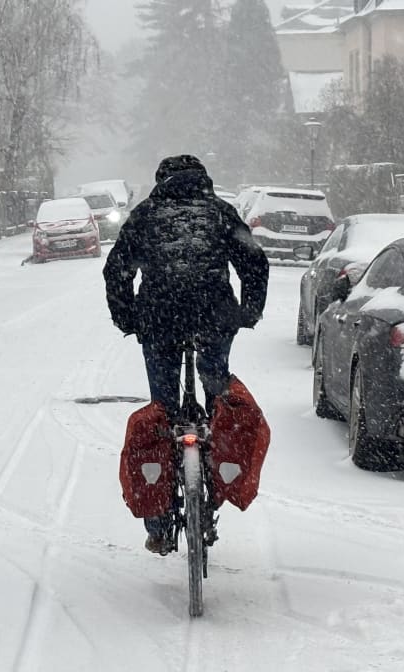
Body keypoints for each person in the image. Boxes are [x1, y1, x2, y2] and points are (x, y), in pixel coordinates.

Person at [103, 154, 269, 553]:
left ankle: (159, 523)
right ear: (202, 180)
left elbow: (117, 269)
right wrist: (248, 312)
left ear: (162, 181)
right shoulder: (219, 213)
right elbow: (255, 262)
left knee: (162, 413)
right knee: (218, 403)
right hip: (214, 319)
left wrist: (128, 318)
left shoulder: (147, 215)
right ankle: (213, 484)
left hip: (159, 321)